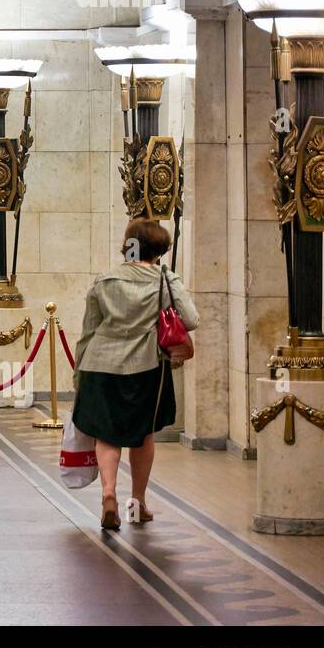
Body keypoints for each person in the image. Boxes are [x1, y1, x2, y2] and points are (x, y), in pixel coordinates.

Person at [70, 217, 197, 530]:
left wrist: (78, 371)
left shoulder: (105, 280)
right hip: (145, 368)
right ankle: (137, 503)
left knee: (106, 433)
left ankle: (108, 493)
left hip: (99, 365)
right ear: (159, 249)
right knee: (142, 435)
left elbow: (89, 331)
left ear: (129, 245)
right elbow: (191, 319)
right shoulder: (163, 279)